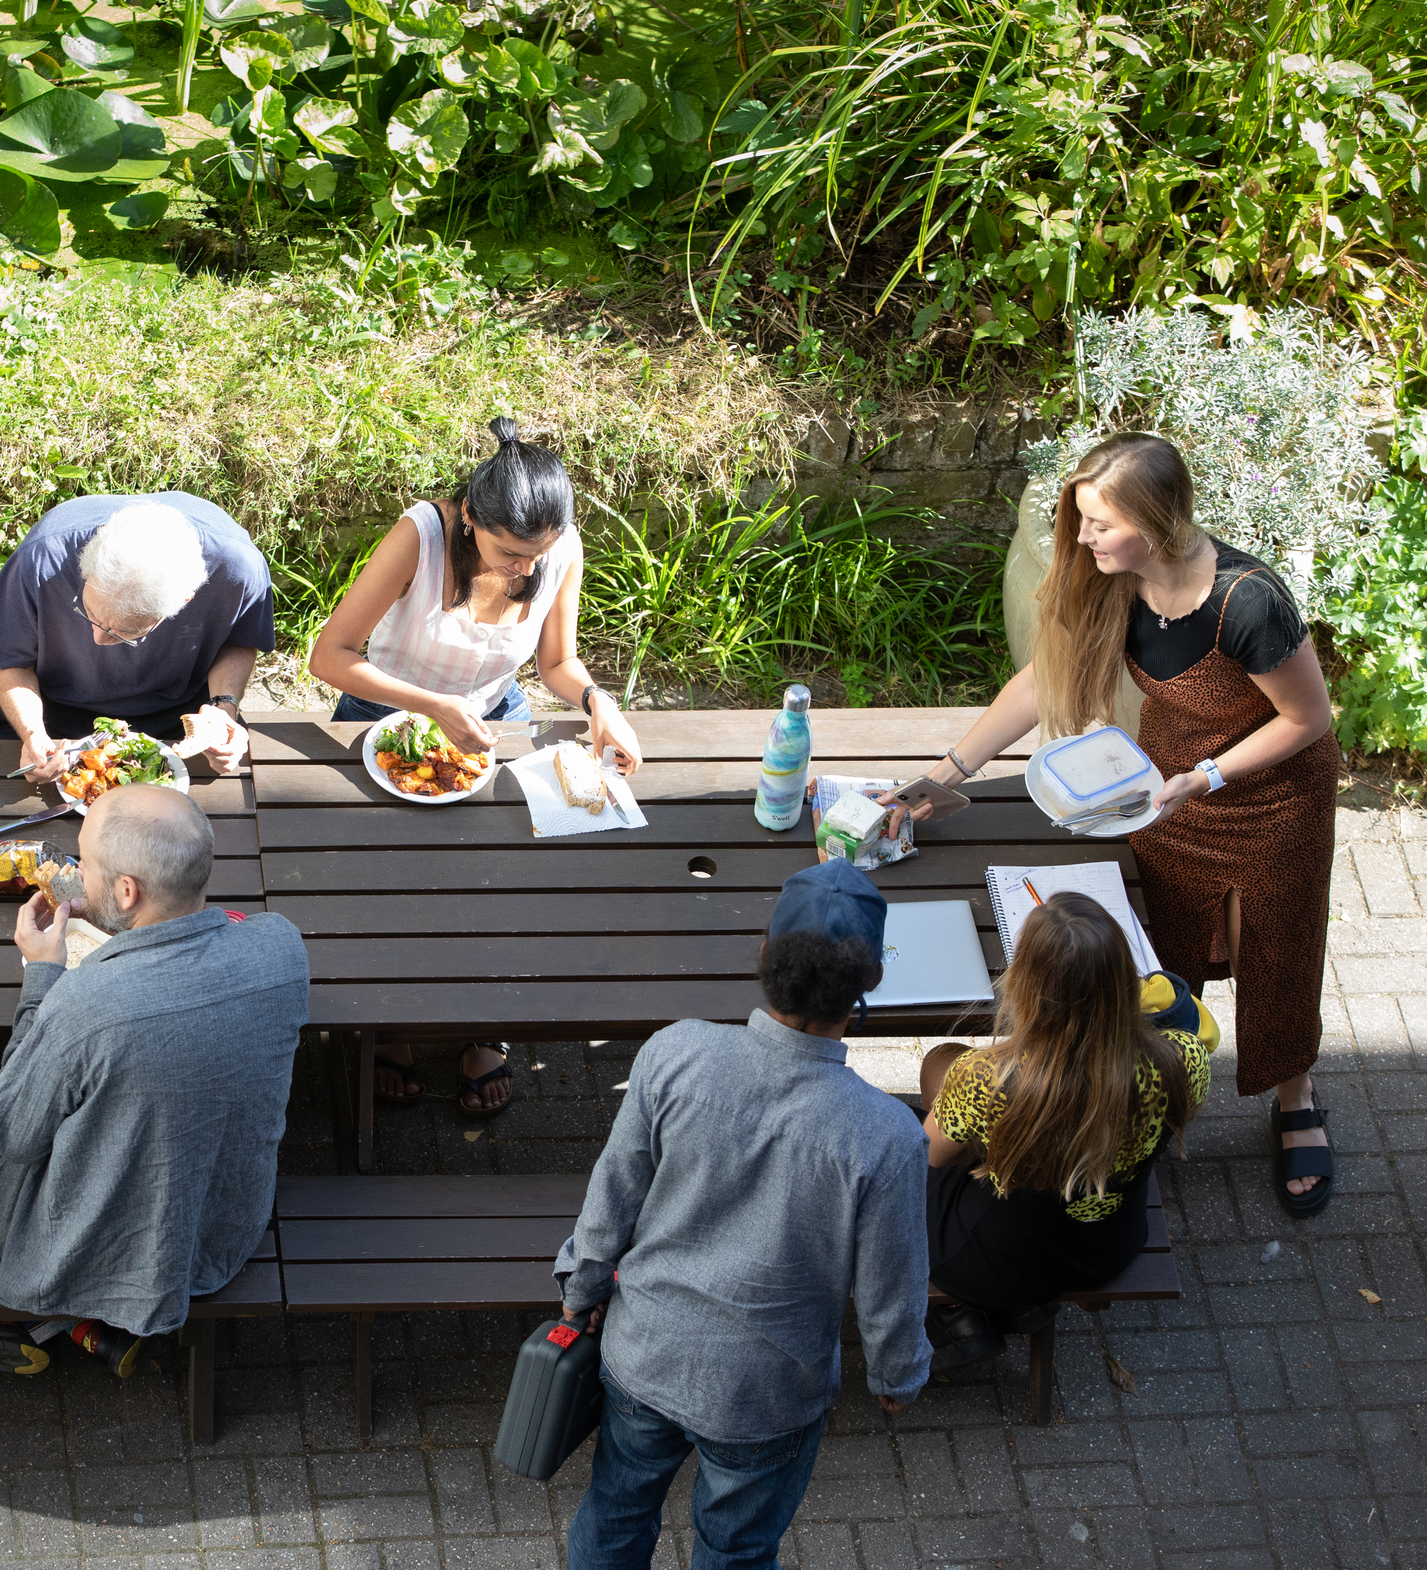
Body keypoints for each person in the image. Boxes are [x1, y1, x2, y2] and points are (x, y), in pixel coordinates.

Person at [889, 433, 1339, 1217]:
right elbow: (1044, 679)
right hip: (1166, 786)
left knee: (1276, 951)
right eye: (1082, 519)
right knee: (1163, 948)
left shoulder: (1247, 601)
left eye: (1100, 522)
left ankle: (1295, 1094)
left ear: (1158, 522)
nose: (1084, 536)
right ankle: (1154, 1094)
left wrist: (1209, 777)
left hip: (1269, 795)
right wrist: (947, 775)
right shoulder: (1112, 580)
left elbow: (1308, 717)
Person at [556, 860, 929, 1570]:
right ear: (867, 986)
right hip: (767, 1395)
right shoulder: (887, 1137)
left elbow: (610, 1200)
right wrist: (896, 1376)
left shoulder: (675, 1052)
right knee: (737, 1548)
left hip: (644, 1356)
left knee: (613, 1515)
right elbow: (892, 1286)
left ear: (763, 957)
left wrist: (582, 1293)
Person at [0, 783, 307, 1376]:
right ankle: (89, 1328)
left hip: (98, 1246)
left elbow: (17, 1136)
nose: (74, 872)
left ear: (126, 890)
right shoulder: (282, 947)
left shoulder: (83, 1002)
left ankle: (51, 1309)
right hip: (220, 1235)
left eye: (83, 862)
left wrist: (42, 976)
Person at [308, 415, 645, 1117]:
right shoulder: (420, 536)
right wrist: (431, 707)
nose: (525, 570)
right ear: (468, 518)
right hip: (385, 715)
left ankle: (481, 1025)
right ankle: (393, 1027)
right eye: (508, 553)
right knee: (384, 879)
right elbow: (330, 655)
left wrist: (596, 701)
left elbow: (555, 662)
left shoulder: (557, 550)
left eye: (538, 555)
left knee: (509, 874)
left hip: (493, 718)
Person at [916, 893, 1210, 1372]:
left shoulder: (987, 1076)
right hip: (1106, 1247)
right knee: (947, 1077)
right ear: (1124, 981)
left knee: (925, 1096)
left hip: (998, 1257)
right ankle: (1002, 1310)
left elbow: (924, 1160)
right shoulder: (1184, 1060)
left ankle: (963, 1309)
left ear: (1028, 984)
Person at [0, 492, 269, 778]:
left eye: (125, 634)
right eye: (90, 613)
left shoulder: (238, 568)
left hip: (177, 715)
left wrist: (223, 708)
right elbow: (11, 662)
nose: (99, 641)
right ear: (84, 568)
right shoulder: (42, 557)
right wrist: (33, 734)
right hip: (51, 712)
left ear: (185, 601)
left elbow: (237, 640)